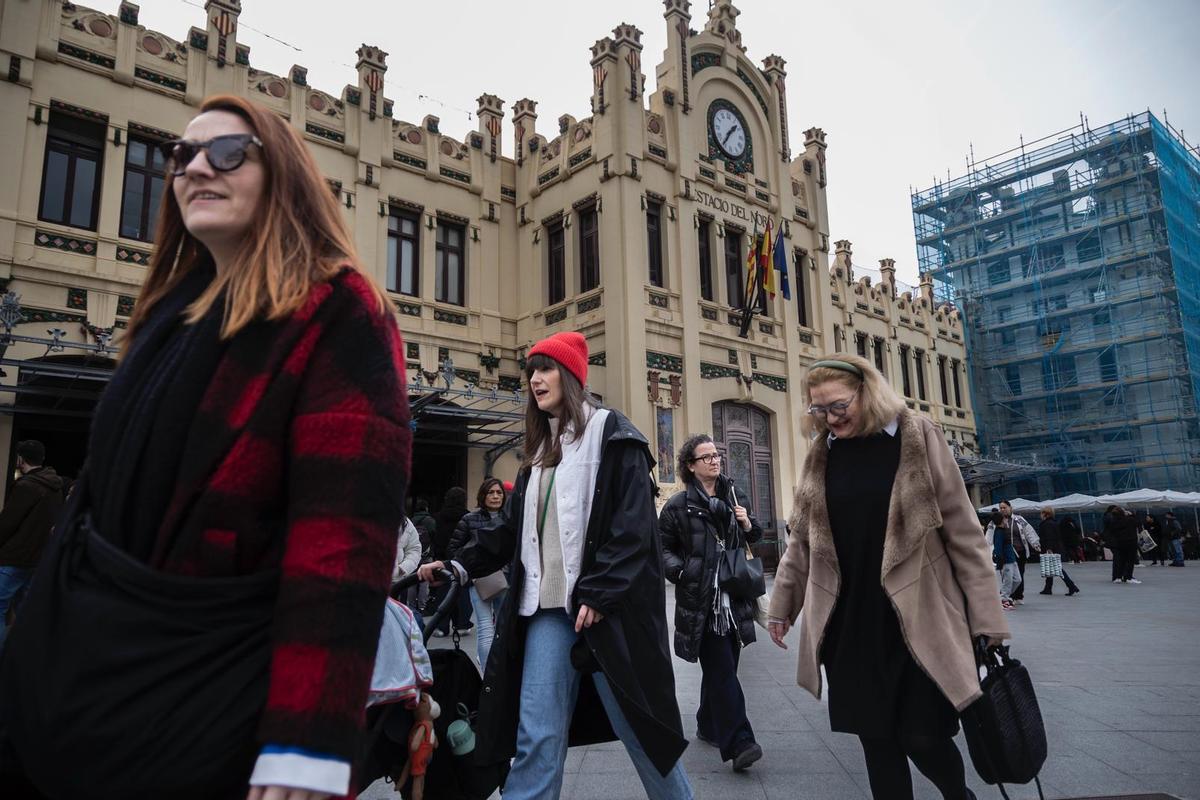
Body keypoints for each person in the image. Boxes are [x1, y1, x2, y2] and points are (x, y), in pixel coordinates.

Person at [0, 94, 411, 800]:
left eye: (226, 153)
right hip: (74, 666)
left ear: (282, 174)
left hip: (210, 683)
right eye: (181, 155)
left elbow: (342, 543)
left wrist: (306, 743)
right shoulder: (170, 310)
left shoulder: (339, 311)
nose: (195, 168)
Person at [419, 331, 693, 800]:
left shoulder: (613, 433)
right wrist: (456, 564)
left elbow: (632, 526)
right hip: (547, 613)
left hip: (607, 615)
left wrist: (601, 593)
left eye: (545, 369)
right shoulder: (539, 451)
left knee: (641, 732)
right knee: (537, 734)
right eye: (531, 372)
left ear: (571, 375)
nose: (535, 380)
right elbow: (511, 530)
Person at [767, 355, 1009, 800]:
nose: (830, 418)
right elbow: (801, 540)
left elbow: (964, 533)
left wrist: (986, 618)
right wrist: (782, 606)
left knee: (924, 736)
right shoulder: (822, 453)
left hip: (918, 615)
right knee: (877, 743)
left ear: (868, 392)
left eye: (838, 406)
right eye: (819, 409)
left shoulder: (916, 436)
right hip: (849, 622)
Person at [659, 434, 764, 771]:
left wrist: (746, 522)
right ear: (691, 466)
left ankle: (707, 722)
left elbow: (755, 534)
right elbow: (661, 547)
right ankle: (740, 742)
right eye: (706, 457)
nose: (715, 460)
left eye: (716, 455)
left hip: (734, 594)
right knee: (721, 668)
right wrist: (681, 572)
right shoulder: (678, 506)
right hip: (701, 600)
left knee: (725, 665)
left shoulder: (734, 494)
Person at [0, 440, 64, 650]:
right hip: (36, 558)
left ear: (20, 458)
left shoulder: (26, 486)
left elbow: (7, 524)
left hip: (13, 558)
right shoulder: (55, 486)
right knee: (26, 612)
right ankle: (27, 655)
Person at [450, 477, 509, 668]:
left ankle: (497, 671)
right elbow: (454, 549)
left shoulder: (510, 519)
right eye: (491, 492)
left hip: (506, 580)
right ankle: (487, 673)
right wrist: (470, 572)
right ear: (483, 495)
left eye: (499, 492)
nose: (495, 496)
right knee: (485, 628)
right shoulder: (469, 519)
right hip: (479, 581)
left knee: (502, 627)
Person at [430, 487, 471, 636]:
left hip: (442, 559)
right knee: (462, 591)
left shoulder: (438, 517)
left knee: (443, 591)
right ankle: (462, 624)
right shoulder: (467, 516)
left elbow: (435, 537)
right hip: (461, 559)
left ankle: (441, 626)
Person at [985, 500, 1040, 603]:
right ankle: (1007, 596)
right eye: (1001, 508)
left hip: (1020, 551)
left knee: (1019, 575)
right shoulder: (995, 521)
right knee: (1007, 576)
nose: (1002, 509)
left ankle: (1018, 596)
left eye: (1004, 507)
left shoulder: (1019, 519)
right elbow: (989, 536)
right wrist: (986, 548)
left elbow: (1029, 531)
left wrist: (1035, 543)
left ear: (1010, 507)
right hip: (1005, 553)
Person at [1036, 507, 1079, 596]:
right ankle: (1048, 588)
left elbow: (1049, 537)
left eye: (1042, 513)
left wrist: (1049, 548)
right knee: (1050, 567)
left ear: (1045, 514)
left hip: (1050, 548)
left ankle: (1071, 586)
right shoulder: (1053, 522)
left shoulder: (1047, 524)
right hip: (1055, 548)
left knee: (1057, 569)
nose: (1040, 515)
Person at [989, 511, 1020, 611]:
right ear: (1001, 520)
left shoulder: (1004, 530)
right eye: (1005, 518)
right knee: (1008, 581)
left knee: (1017, 580)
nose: (1007, 519)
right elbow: (998, 548)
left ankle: (1004, 595)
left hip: (1012, 559)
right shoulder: (999, 532)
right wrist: (1001, 562)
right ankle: (1004, 599)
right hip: (1006, 561)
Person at [1104, 506, 1141, 584]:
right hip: (1131, 542)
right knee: (1130, 561)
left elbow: (1111, 531)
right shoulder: (1129, 519)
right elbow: (1138, 523)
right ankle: (1128, 577)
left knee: (1121, 560)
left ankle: (1118, 577)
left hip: (1120, 543)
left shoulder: (1113, 522)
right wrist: (1131, 515)